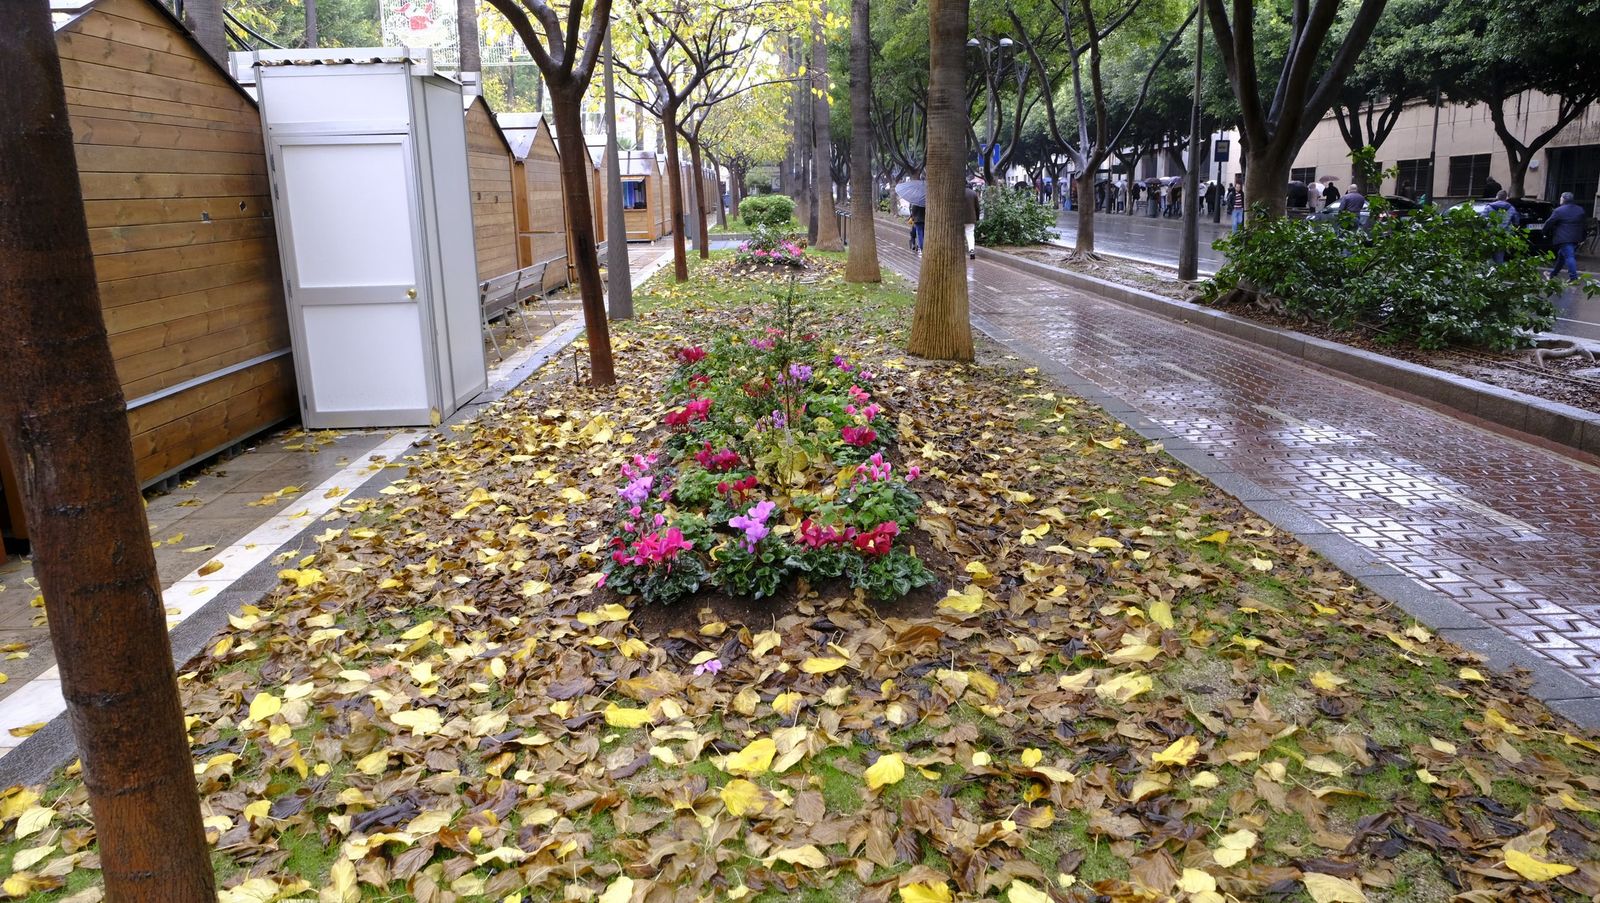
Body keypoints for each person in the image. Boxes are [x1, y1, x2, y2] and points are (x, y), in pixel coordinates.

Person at [1545, 191, 1586, 282]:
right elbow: (1584, 225)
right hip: (1576, 238)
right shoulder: (1580, 210)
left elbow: (1549, 222)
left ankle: (1573, 277)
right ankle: (1552, 274)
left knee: (1569, 256)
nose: (1560, 199)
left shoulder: (1559, 210)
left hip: (1564, 238)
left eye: (1561, 198)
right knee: (1561, 256)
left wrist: (1544, 231)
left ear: (1563, 199)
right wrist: (1583, 237)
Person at [1485, 188, 1521, 265]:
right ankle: (1498, 273)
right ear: (1506, 198)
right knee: (1500, 256)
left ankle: (1488, 272)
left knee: (1488, 256)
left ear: (1497, 197)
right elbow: (1516, 222)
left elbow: (1482, 219)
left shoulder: (1489, 207)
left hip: (1490, 234)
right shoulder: (1511, 208)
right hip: (1504, 235)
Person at [963, 182, 981, 259]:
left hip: (960, 218)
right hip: (971, 218)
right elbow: (977, 208)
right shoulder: (973, 193)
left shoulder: (958, 192)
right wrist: (977, 217)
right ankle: (971, 250)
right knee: (970, 234)